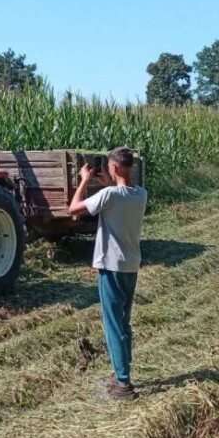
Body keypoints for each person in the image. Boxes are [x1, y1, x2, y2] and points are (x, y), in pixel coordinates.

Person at [69, 147, 147, 401]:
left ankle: (123, 384)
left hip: (111, 265)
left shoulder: (109, 195)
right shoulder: (140, 195)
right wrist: (106, 181)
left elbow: (74, 209)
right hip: (130, 265)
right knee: (124, 322)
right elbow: (121, 191)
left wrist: (83, 180)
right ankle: (122, 374)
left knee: (113, 324)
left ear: (114, 168)